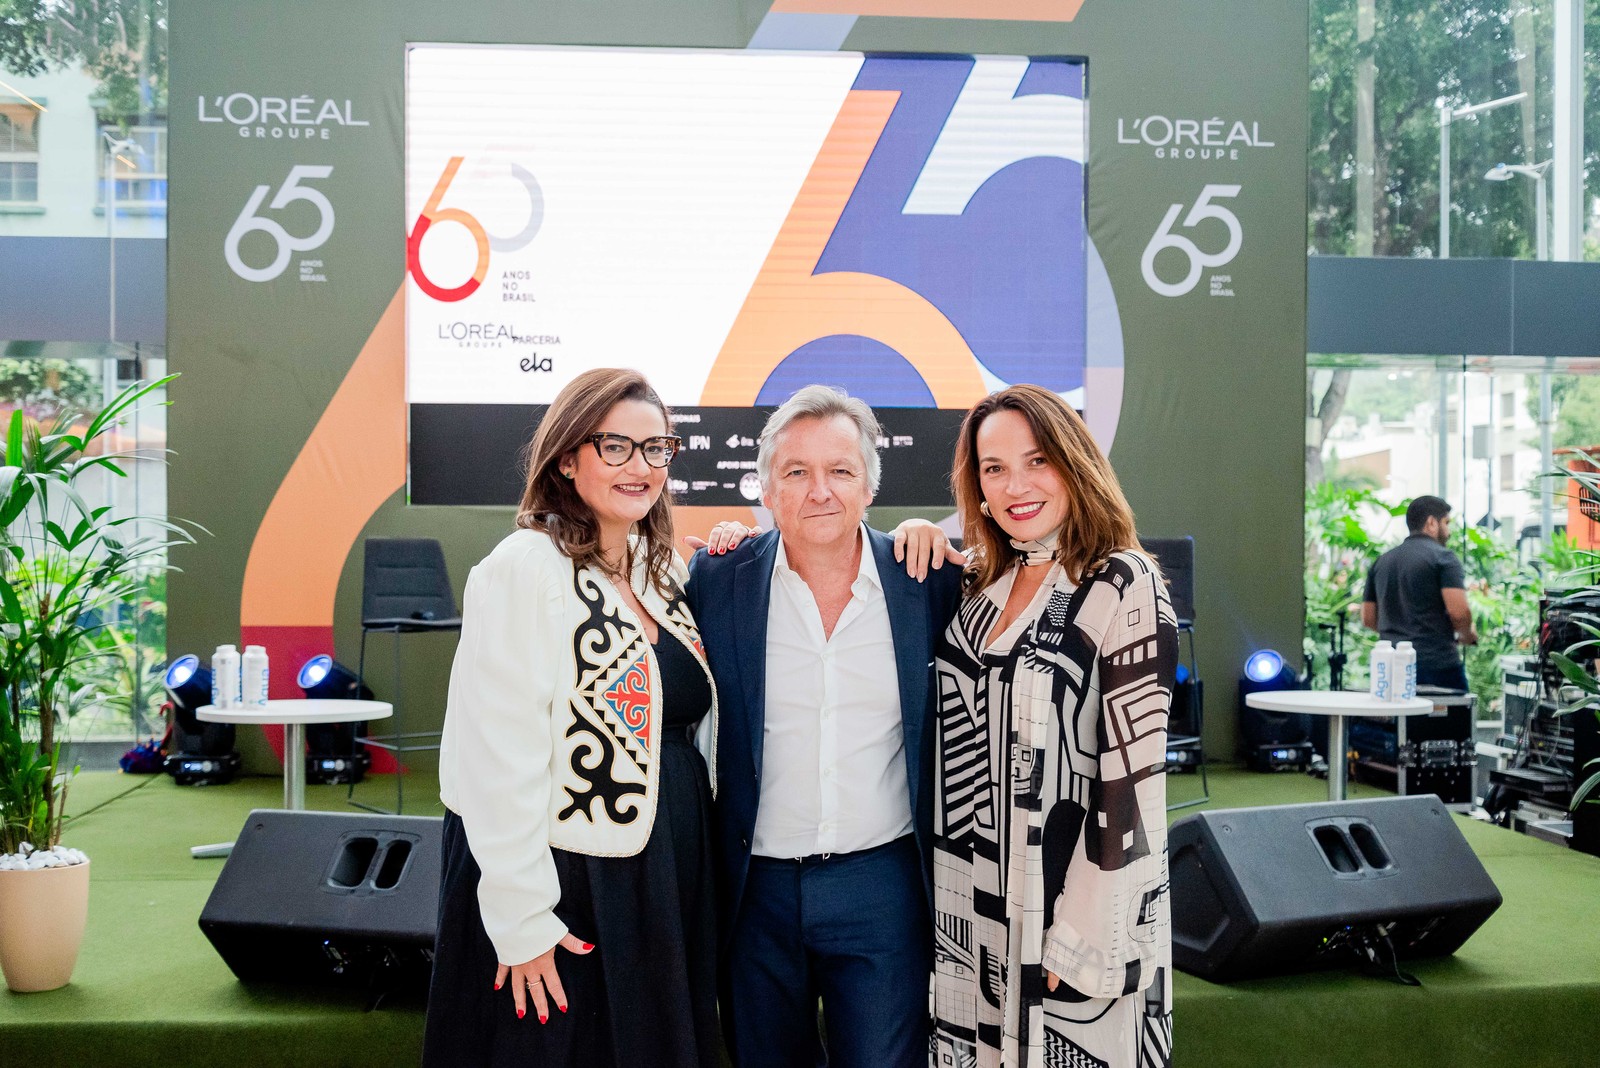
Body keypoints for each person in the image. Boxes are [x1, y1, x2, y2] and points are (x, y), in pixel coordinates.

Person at [423, 368, 722, 1067]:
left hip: (662, 870)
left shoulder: (661, 569)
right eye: (615, 446)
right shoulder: (524, 568)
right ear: (566, 457)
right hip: (570, 880)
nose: (640, 466)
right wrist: (523, 917)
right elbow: (495, 759)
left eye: (656, 448)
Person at [684, 385, 963, 1068]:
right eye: (796, 472)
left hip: (882, 886)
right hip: (757, 891)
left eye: (840, 470)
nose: (820, 491)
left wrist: (928, 532)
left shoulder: (926, 580)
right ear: (767, 489)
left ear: (869, 485)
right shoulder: (717, 580)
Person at [930, 384, 1176, 1068]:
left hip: (1073, 918)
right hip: (974, 905)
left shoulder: (1121, 583)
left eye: (1037, 461)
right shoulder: (981, 587)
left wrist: (1080, 941)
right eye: (995, 468)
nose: (1016, 486)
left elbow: (1134, 779)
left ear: (1074, 464)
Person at [1361, 494, 1477, 691]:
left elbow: (1368, 618)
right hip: (1437, 665)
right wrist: (1466, 635)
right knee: (1456, 710)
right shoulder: (1443, 558)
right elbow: (1459, 613)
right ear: (1431, 523)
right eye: (1446, 523)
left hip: (1391, 666)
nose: (1448, 532)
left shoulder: (1382, 561)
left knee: (1397, 712)